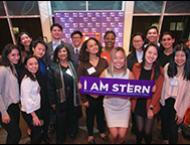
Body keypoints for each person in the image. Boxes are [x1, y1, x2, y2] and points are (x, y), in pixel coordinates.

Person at [131, 43, 164, 144]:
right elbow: (132, 85)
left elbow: (158, 92)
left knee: (147, 132)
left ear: (157, 56)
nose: (151, 56)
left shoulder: (159, 71)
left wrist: (151, 108)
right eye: (149, 52)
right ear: (145, 53)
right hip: (138, 103)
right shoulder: (136, 67)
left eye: (155, 54)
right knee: (139, 130)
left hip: (151, 104)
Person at [48, 44, 81, 144]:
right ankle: (61, 138)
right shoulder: (53, 67)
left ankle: (72, 133)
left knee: (72, 116)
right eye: (60, 51)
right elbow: (50, 86)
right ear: (57, 54)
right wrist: (53, 102)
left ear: (67, 53)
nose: (62, 53)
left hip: (73, 96)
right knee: (61, 120)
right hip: (60, 98)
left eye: (64, 51)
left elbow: (79, 78)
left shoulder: (73, 64)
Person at [78, 37, 108, 144]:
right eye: (91, 46)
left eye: (95, 44)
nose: (94, 47)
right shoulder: (83, 64)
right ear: (86, 49)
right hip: (89, 96)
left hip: (103, 95)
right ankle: (90, 134)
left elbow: (109, 78)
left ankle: (102, 130)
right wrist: (84, 99)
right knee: (90, 116)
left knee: (101, 114)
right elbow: (80, 83)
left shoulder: (104, 62)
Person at [102, 47, 134, 144]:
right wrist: (83, 86)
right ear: (111, 59)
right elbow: (95, 91)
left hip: (124, 107)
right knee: (114, 134)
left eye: (121, 58)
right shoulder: (105, 73)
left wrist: (150, 89)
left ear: (125, 60)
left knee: (122, 135)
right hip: (110, 106)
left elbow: (137, 90)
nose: (118, 61)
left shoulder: (129, 73)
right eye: (115, 58)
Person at [160, 44, 190, 144]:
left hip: (178, 104)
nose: (179, 58)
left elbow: (188, 96)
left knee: (173, 131)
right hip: (165, 102)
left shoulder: (188, 72)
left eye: (182, 56)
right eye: (177, 55)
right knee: (164, 125)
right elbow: (163, 85)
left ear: (187, 57)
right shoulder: (168, 67)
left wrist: (181, 112)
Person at [0, 44, 21, 144]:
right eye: (13, 55)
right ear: (7, 55)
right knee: (16, 134)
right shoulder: (3, 70)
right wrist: (3, 113)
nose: (16, 57)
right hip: (5, 108)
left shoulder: (12, 67)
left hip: (14, 107)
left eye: (18, 54)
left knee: (13, 135)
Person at [20, 56, 44, 144]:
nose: (34, 66)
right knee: (37, 133)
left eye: (36, 63)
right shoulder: (27, 80)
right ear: (26, 66)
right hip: (30, 112)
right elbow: (27, 100)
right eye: (30, 64)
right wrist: (34, 116)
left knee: (36, 132)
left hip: (36, 108)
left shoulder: (33, 76)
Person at [31, 39, 51, 143]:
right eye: (39, 49)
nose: (41, 51)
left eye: (43, 50)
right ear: (33, 48)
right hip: (35, 98)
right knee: (37, 124)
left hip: (45, 95)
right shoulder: (30, 62)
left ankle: (45, 136)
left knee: (46, 117)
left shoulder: (43, 61)